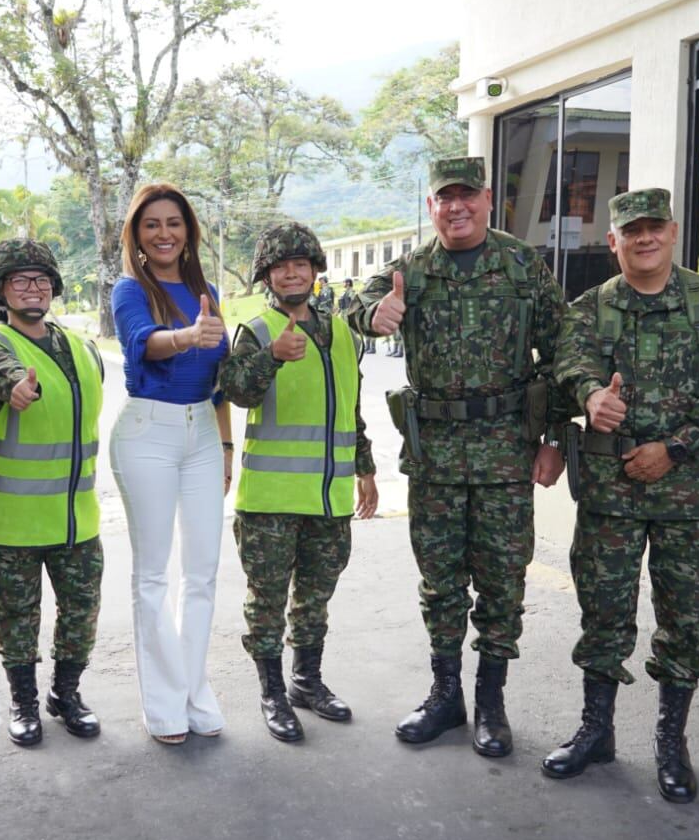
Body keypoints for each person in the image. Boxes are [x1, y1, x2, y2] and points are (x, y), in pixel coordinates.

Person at [347, 156, 567, 758]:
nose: (456, 207)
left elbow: (565, 351)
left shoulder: (523, 267)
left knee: (502, 582)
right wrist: (373, 313)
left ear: (487, 200)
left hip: (504, 454)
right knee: (440, 582)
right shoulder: (411, 272)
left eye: (467, 196)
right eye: (445, 198)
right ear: (431, 207)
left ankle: (491, 702)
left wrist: (553, 438)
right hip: (437, 456)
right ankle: (447, 695)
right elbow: (348, 309)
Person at [544, 189, 699, 802]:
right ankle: (596, 731)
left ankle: (671, 741)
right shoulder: (591, 308)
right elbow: (568, 367)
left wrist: (677, 445)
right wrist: (590, 396)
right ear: (613, 241)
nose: (644, 239)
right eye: (630, 231)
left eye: (654, 227)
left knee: (685, 621)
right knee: (603, 615)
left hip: (688, 493)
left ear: (673, 230)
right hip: (611, 494)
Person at [220, 223, 380, 742]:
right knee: (266, 600)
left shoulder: (341, 333)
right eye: (281, 265)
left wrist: (365, 468)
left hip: (329, 497)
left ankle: (306, 681)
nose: (292, 272)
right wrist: (271, 359)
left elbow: (348, 409)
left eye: (301, 264)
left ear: (315, 271)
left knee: (316, 595)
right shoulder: (258, 331)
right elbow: (235, 392)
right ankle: (271, 691)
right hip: (270, 498)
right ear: (267, 276)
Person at [0, 239, 105, 746]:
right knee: (18, 619)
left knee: (82, 612)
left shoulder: (83, 348)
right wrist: (14, 388)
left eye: (42, 280)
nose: (33, 289)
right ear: (1, 291)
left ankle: (65, 694)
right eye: (21, 281)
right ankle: (23, 702)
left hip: (77, 519)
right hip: (13, 521)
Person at [110, 184, 233, 745]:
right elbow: (145, 342)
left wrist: (227, 446)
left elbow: (222, 381)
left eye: (174, 223)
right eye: (152, 224)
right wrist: (187, 335)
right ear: (136, 234)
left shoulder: (205, 289)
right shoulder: (129, 290)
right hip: (148, 434)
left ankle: (193, 693)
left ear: (189, 231)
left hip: (203, 435)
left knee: (203, 572)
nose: (164, 234)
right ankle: (162, 707)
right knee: (155, 575)